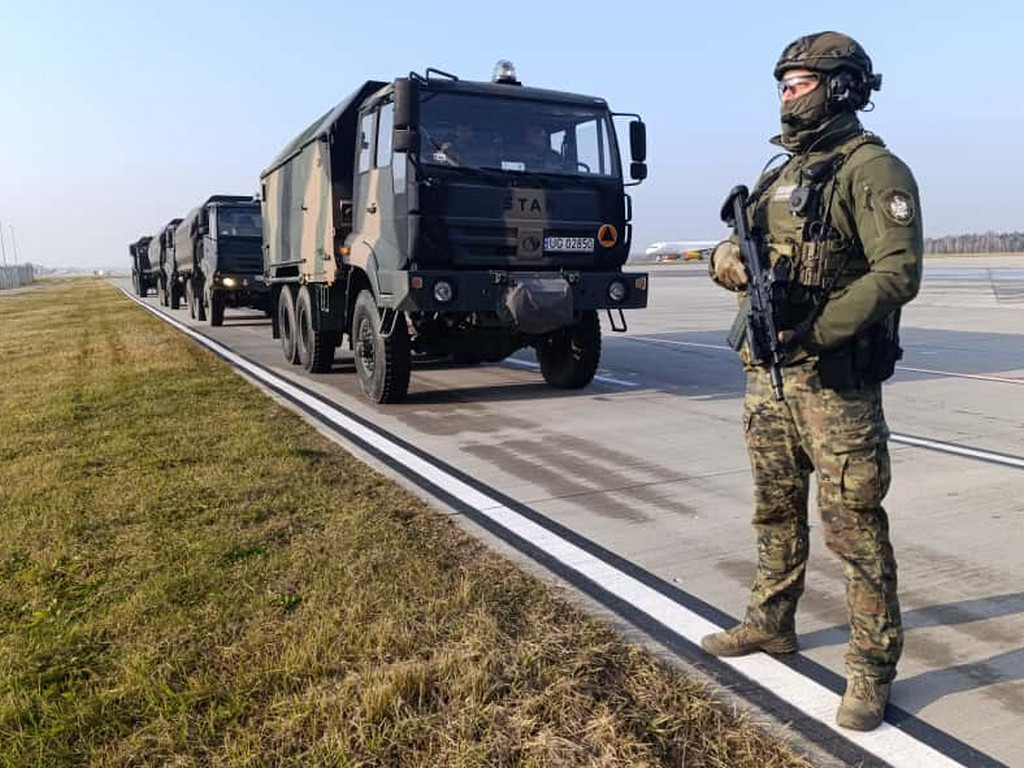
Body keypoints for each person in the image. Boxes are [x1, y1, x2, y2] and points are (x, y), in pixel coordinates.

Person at [702, 31, 923, 731]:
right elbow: (739, 247)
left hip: (833, 384)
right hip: (769, 379)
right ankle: (771, 620)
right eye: (784, 84)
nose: (787, 94)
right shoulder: (781, 172)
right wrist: (725, 258)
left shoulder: (872, 169)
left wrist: (816, 331)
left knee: (853, 528)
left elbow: (898, 273)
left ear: (843, 87)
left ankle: (871, 668)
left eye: (800, 82)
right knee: (773, 508)